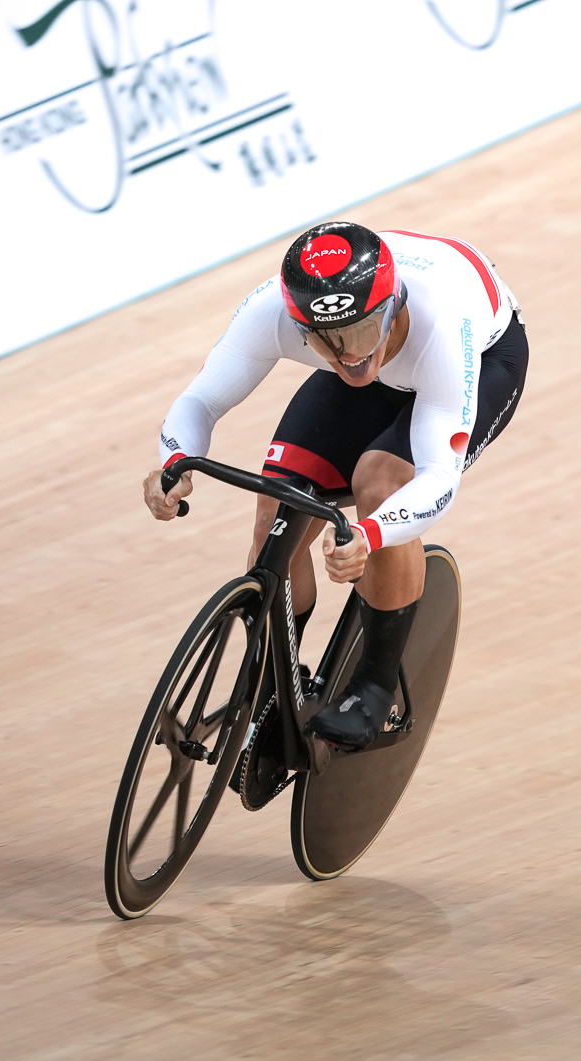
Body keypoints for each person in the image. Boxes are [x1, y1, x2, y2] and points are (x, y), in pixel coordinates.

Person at [140, 220, 527, 782]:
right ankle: (279, 689)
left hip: (482, 360)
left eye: (364, 328)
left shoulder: (443, 320)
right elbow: (200, 400)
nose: (350, 353)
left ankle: (375, 686)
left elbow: (439, 476)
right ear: (300, 324)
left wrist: (371, 534)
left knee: (379, 482)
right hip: (389, 367)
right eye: (327, 339)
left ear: (392, 303)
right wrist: (175, 461)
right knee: (277, 510)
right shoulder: (273, 309)